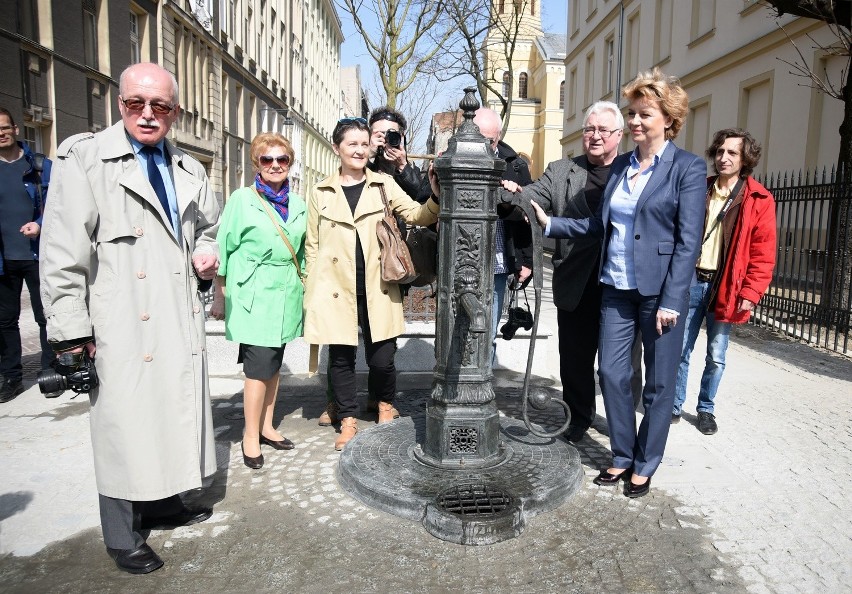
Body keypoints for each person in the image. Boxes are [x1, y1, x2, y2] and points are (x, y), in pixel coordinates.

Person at [39, 62, 220, 574]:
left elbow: (208, 226)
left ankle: (163, 501)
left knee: (167, 406)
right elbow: (61, 254)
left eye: (159, 106)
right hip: (120, 317)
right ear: (119, 104)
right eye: (135, 103)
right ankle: (121, 535)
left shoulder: (188, 168)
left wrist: (206, 254)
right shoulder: (87, 159)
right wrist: (71, 333)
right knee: (123, 422)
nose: (146, 114)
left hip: (176, 312)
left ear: (174, 112)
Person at [529, 68, 706, 498]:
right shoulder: (624, 164)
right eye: (632, 114)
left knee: (658, 383)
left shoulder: (687, 168)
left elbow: (688, 243)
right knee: (611, 372)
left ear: (669, 118)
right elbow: (598, 225)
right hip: (616, 289)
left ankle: (646, 461)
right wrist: (553, 223)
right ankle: (622, 454)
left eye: (645, 114)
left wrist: (672, 299)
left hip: (658, 295)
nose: (635, 122)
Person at [304, 117, 439, 451]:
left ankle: (384, 406)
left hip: (378, 285)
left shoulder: (382, 185)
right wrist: (312, 290)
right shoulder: (320, 191)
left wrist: (435, 196)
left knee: (382, 359)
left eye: (364, 144)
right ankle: (348, 419)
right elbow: (312, 246)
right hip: (336, 287)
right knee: (341, 358)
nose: (360, 150)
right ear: (337, 148)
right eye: (352, 144)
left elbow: (419, 215)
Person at [501, 101, 624, 442]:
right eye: (589, 129)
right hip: (576, 280)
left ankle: (621, 425)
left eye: (602, 130)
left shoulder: (632, 171)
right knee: (575, 357)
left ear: (619, 134)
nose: (594, 136)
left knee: (619, 363)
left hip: (621, 280)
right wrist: (514, 192)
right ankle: (578, 418)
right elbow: (530, 196)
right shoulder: (561, 170)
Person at [210, 133, 306, 469]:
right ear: (257, 163)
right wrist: (219, 295)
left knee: (274, 364)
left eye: (282, 159)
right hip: (252, 293)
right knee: (257, 368)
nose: (276, 165)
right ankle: (251, 435)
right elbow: (223, 246)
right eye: (268, 160)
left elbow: (304, 251)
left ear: (290, 164)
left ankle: (266, 426)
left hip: (285, 292)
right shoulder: (241, 199)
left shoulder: (299, 204)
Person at [673, 129, 776, 434]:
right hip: (692, 282)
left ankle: (706, 408)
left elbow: (763, 251)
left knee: (716, 355)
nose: (723, 158)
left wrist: (751, 291)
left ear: (745, 158)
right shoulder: (699, 189)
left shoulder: (758, 199)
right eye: (720, 151)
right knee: (680, 350)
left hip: (726, 286)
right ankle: (675, 404)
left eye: (732, 152)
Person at [0, 107, 59, 402]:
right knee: (5, 321)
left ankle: (50, 370)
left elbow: (59, 201)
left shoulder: (38, 165)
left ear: (15, 129)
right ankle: (10, 376)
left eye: (4, 127)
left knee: (45, 315)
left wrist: (40, 223)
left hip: (37, 255)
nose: (1, 133)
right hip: (4, 258)